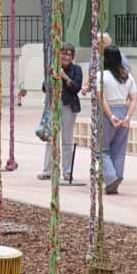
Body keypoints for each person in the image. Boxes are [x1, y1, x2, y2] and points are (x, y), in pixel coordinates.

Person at [97, 44, 137, 195]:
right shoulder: (127, 76)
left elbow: (101, 99)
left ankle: (110, 177)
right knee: (119, 148)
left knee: (101, 148)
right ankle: (118, 175)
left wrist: (111, 116)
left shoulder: (101, 75)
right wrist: (127, 117)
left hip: (108, 111)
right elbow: (134, 99)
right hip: (124, 110)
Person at [39, 44, 82, 183]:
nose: (66, 57)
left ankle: (67, 171)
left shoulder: (76, 69)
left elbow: (76, 88)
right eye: (64, 54)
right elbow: (44, 88)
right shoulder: (52, 68)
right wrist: (52, 78)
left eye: (69, 54)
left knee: (67, 138)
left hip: (69, 106)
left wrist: (65, 77)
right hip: (54, 105)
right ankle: (47, 170)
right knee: (51, 137)